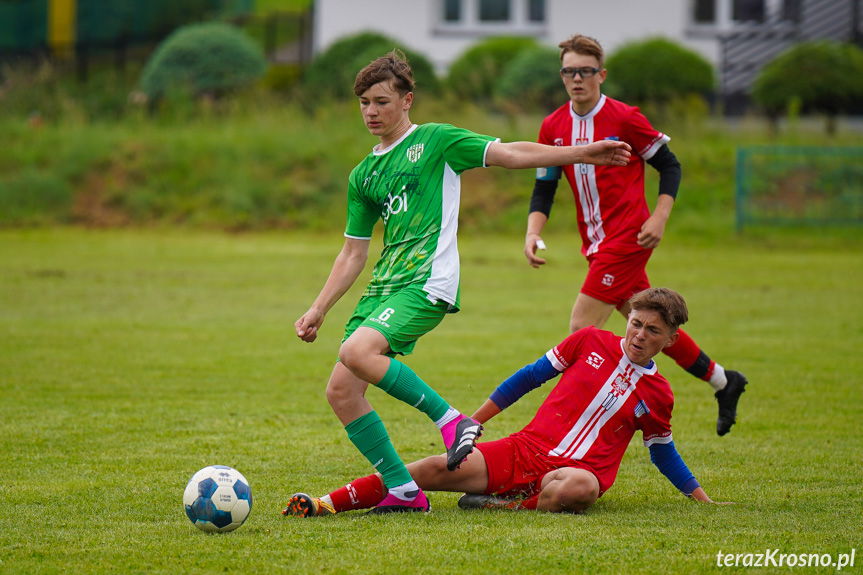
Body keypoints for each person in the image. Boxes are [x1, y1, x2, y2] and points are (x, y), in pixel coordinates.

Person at [294, 50, 632, 514]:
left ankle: (452, 421)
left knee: (356, 352)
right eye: (364, 103)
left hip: (425, 281)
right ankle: (404, 491)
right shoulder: (364, 174)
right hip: (382, 289)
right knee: (341, 391)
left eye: (381, 101)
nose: (371, 112)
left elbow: (511, 153)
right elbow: (354, 251)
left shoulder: (437, 141)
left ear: (407, 100)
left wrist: (580, 153)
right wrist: (319, 308)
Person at [284, 287, 729, 516]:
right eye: (636, 323)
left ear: (670, 340)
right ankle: (325, 504)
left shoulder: (659, 394)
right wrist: (471, 423)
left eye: (653, 331)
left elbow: (663, 452)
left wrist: (701, 499)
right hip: (526, 451)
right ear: (626, 319)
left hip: (579, 473)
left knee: (578, 490)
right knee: (432, 468)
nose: (639, 335)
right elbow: (529, 377)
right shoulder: (590, 340)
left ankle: (507, 506)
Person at [522, 34, 747, 436]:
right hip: (595, 245)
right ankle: (723, 381)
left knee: (580, 331)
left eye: (585, 71)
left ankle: (569, 422)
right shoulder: (552, 125)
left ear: (601, 75)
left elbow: (670, 165)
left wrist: (659, 216)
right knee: (651, 323)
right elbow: (545, 185)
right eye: (569, 71)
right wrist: (532, 232)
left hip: (627, 237)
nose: (577, 78)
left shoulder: (625, 117)